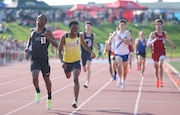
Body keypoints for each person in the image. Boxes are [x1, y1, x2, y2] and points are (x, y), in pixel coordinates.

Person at [58, 20, 95, 108]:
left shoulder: (80, 36)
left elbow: (85, 45)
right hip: (67, 61)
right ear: (69, 28)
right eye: (73, 28)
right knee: (68, 76)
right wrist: (62, 62)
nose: (75, 30)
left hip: (76, 61)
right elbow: (59, 51)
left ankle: (75, 100)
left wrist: (91, 52)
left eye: (76, 28)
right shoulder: (64, 37)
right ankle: (68, 71)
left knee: (75, 78)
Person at [24, 14, 58, 109]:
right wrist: (27, 47)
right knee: (34, 76)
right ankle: (38, 91)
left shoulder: (47, 32)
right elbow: (29, 40)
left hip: (44, 59)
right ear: (36, 20)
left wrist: (49, 38)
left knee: (46, 79)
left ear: (45, 22)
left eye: (42, 19)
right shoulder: (32, 31)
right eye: (38, 19)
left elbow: (56, 45)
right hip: (34, 58)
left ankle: (49, 98)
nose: (39, 20)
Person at [147, 19, 176, 88]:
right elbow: (148, 43)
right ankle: (157, 79)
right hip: (155, 52)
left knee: (160, 64)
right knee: (156, 68)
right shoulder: (153, 34)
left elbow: (167, 38)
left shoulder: (164, 33)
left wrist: (172, 44)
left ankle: (161, 81)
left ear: (162, 25)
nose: (158, 26)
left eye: (160, 24)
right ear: (155, 25)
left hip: (162, 52)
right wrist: (154, 40)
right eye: (157, 24)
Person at [106, 19, 131, 90]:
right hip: (118, 53)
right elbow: (110, 40)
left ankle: (123, 81)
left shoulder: (127, 33)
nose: (122, 26)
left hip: (125, 53)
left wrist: (122, 39)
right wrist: (107, 45)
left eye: (123, 25)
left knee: (125, 68)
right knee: (119, 64)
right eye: (121, 25)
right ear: (119, 26)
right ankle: (119, 78)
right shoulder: (115, 33)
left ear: (125, 26)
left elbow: (128, 43)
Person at [80, 21, 99, 88]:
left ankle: (87, 82)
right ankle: (84, 67)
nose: (88, 27)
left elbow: (93, 41)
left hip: (89, 53)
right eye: (87, 26)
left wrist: (96, 46)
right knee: (84, 68)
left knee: (88, 67)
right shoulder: (82, 34)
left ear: (91, 27)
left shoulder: (93, 35)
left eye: (89, 26)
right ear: (85, 27)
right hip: (83, 53)